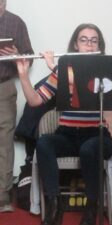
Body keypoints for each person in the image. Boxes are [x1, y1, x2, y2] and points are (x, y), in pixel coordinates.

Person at [16, 23, 112, 225]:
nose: (89, 44)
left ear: (99, 46)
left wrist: (55, 67)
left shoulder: (105, 70)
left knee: (89, 149)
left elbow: (87, 90)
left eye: (94, 40)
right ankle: (54, 204)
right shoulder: (65, 69)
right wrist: (24, 75)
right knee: (44, 143)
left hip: (97, 136)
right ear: (76, 45)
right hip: (68, 134)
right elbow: (36, 101)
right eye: (84, 40)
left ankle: (92, 208)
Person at [0, 0, 34, 212]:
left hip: (4, 87)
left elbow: (30, 57)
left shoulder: (16, 23)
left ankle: (2, 196)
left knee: (4, 142)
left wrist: (16, 56)